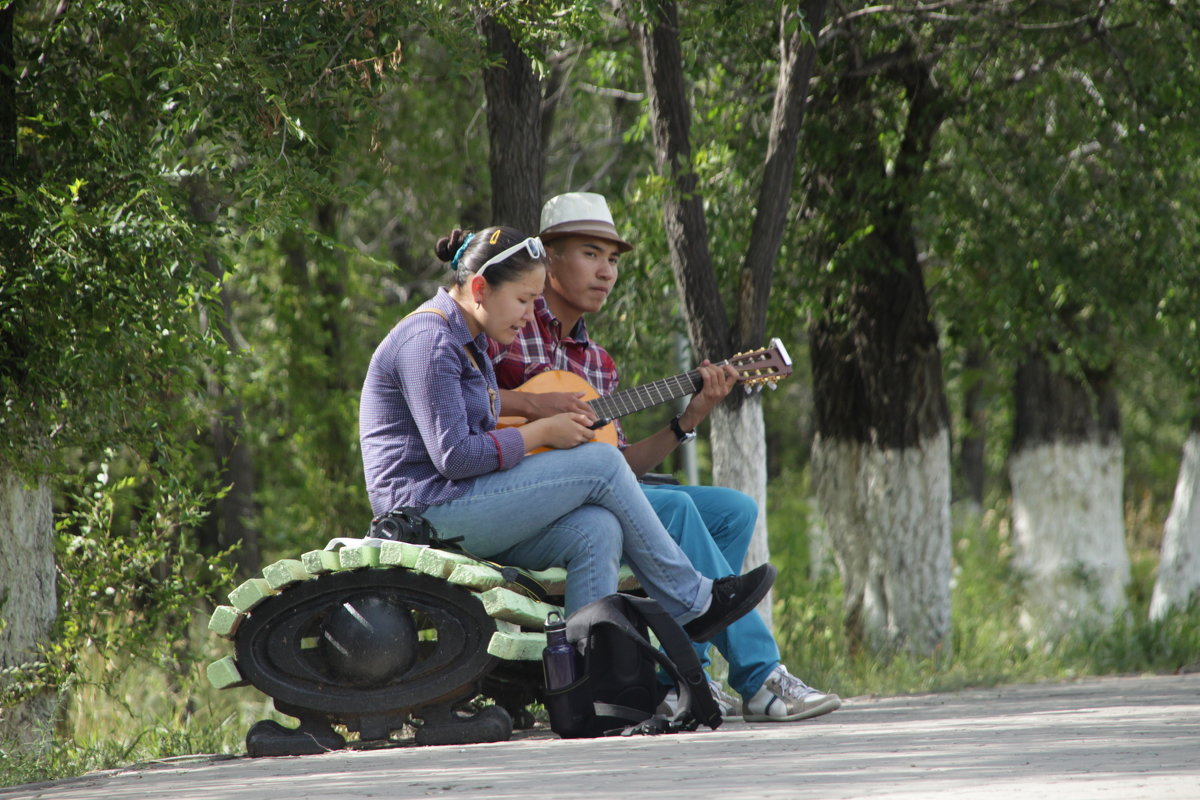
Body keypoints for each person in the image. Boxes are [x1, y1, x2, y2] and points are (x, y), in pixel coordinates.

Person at [490, 194, 841, 723]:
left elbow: (621, 466)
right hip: (521, 499)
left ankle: (678, 674)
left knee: (734, 510)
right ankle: (759, 676)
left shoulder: (597, 363)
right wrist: (538, 414)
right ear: (549, 259)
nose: (606, 272)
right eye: (590, 254)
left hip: (595, 489)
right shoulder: (511, 327)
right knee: (674, 510)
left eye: (612, 260)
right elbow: (474, 407)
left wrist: (690, 418)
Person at [358, 224, 775, 646]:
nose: (528, 316)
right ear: (480, 288)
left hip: (463, 504)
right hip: (428, 511)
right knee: (603, 463)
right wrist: (543, 431)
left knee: (598, 527)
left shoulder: (469, 339)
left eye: (533, 302)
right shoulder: (430, 341)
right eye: (522, 300)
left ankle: (591, 693)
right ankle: (694, 602)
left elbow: (471, 410)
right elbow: (457, 457)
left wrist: (535, 405)